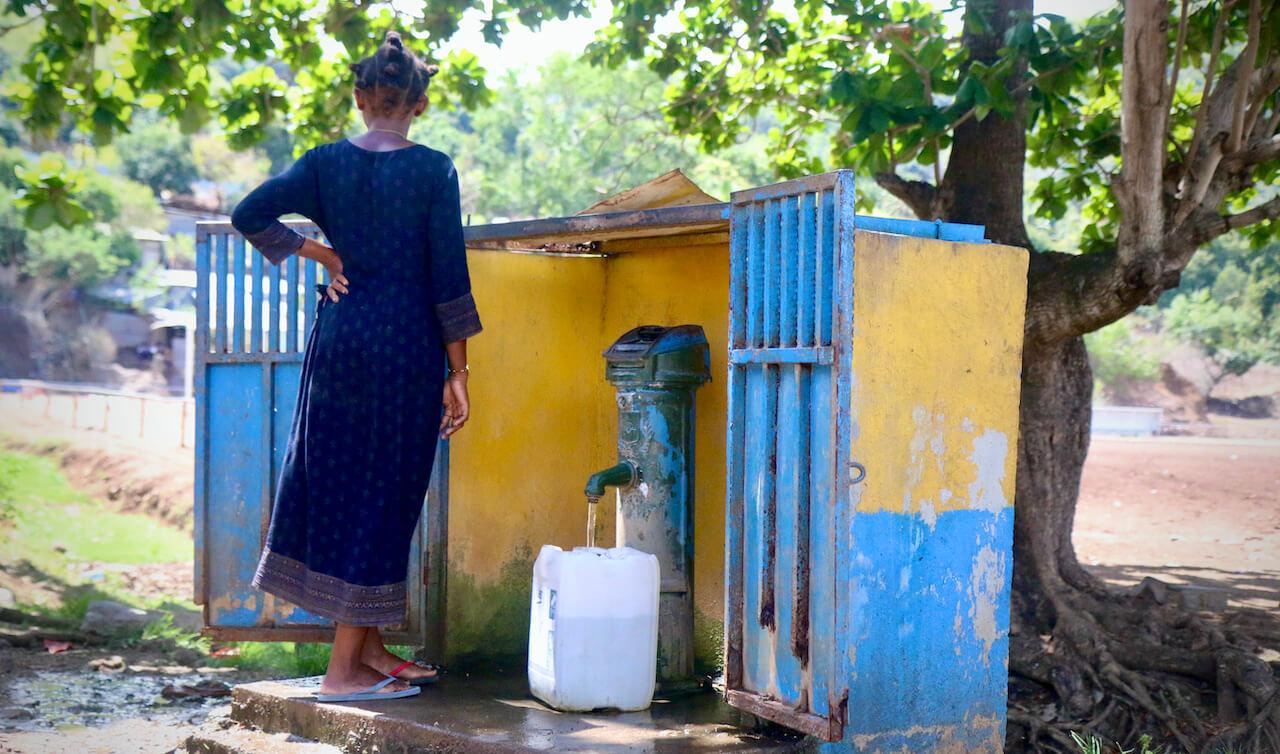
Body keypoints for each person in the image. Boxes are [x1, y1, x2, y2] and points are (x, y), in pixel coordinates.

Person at [230, 30, 480, 703]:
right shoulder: (433, 171)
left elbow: (248, 213)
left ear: (360, 97)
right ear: (419, 104)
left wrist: (320, 253)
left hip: (341, 342)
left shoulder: (323, 164)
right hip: (405, 349)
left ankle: (368, 651)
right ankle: (342, 673)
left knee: (347, 487)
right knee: (385, 496)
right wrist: (458, 373)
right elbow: (447, 277)